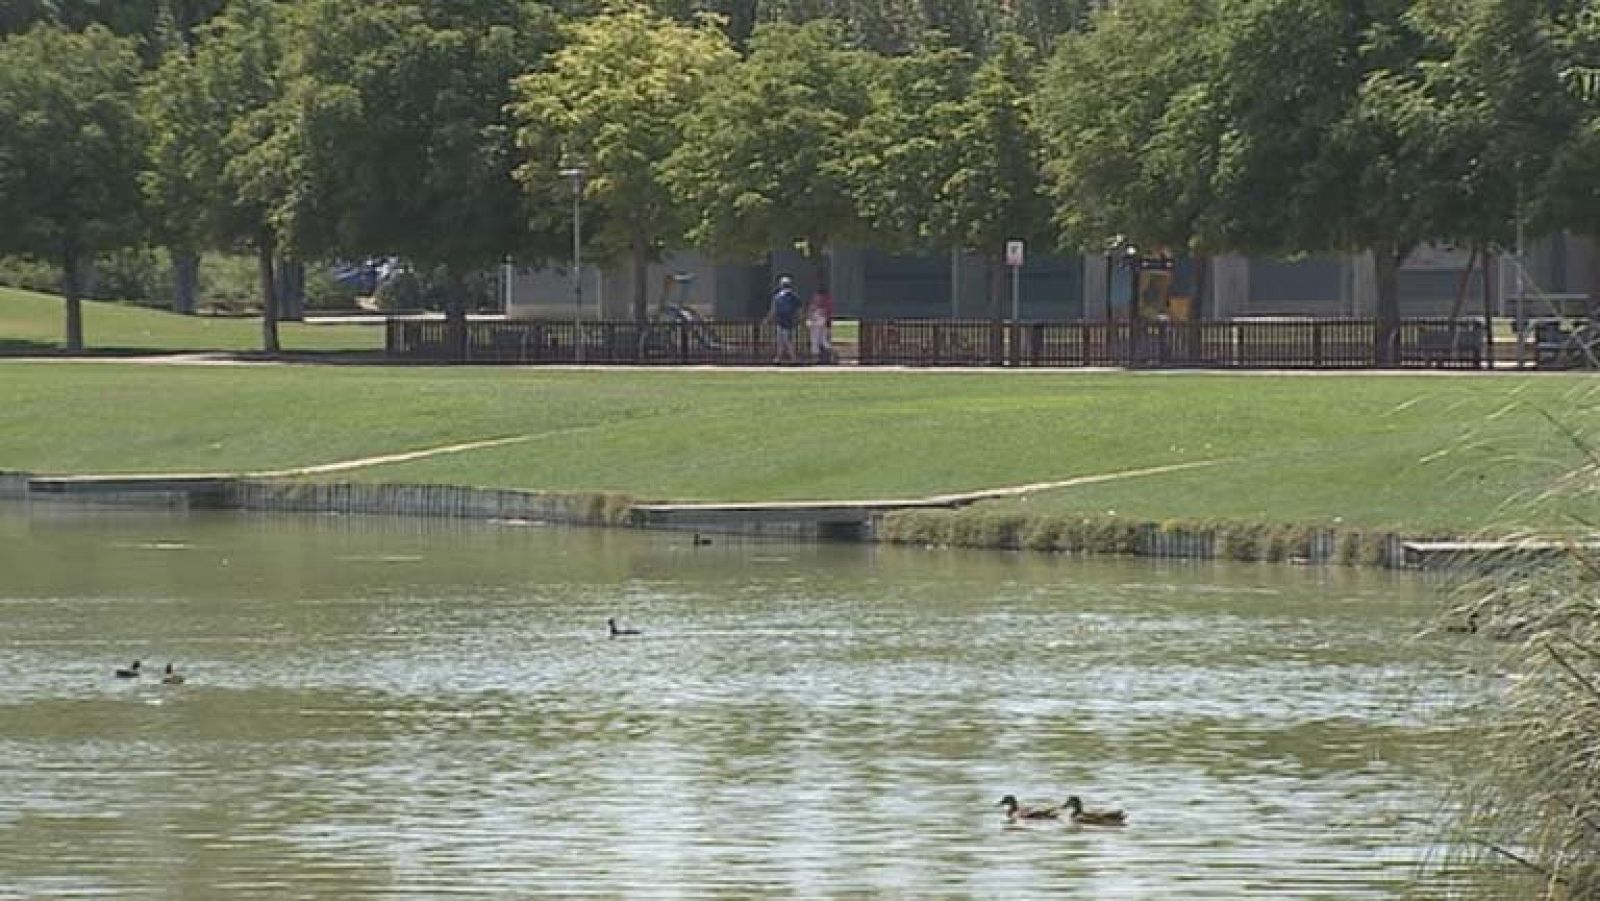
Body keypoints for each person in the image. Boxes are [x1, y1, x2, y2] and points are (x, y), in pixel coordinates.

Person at [765, 275, 802, 364]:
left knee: (783, 340)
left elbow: (773, 310)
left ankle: (792, 358)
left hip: (780, 321)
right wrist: (800, 320)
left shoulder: (777, 297)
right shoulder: (794, 296)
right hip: (790, 321)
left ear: (781, 285)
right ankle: (779, 358)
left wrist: (767, 319)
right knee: (785, 340)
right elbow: (799, 310)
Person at [808, 285, 835, 364]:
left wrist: (810, 316)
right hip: (823, 320)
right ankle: (833, 354)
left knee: (815, 340)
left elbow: (812, 309)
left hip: (818, 320)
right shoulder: (828, 300)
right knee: (823, 341)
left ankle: (816, 358)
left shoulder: (819, 300)